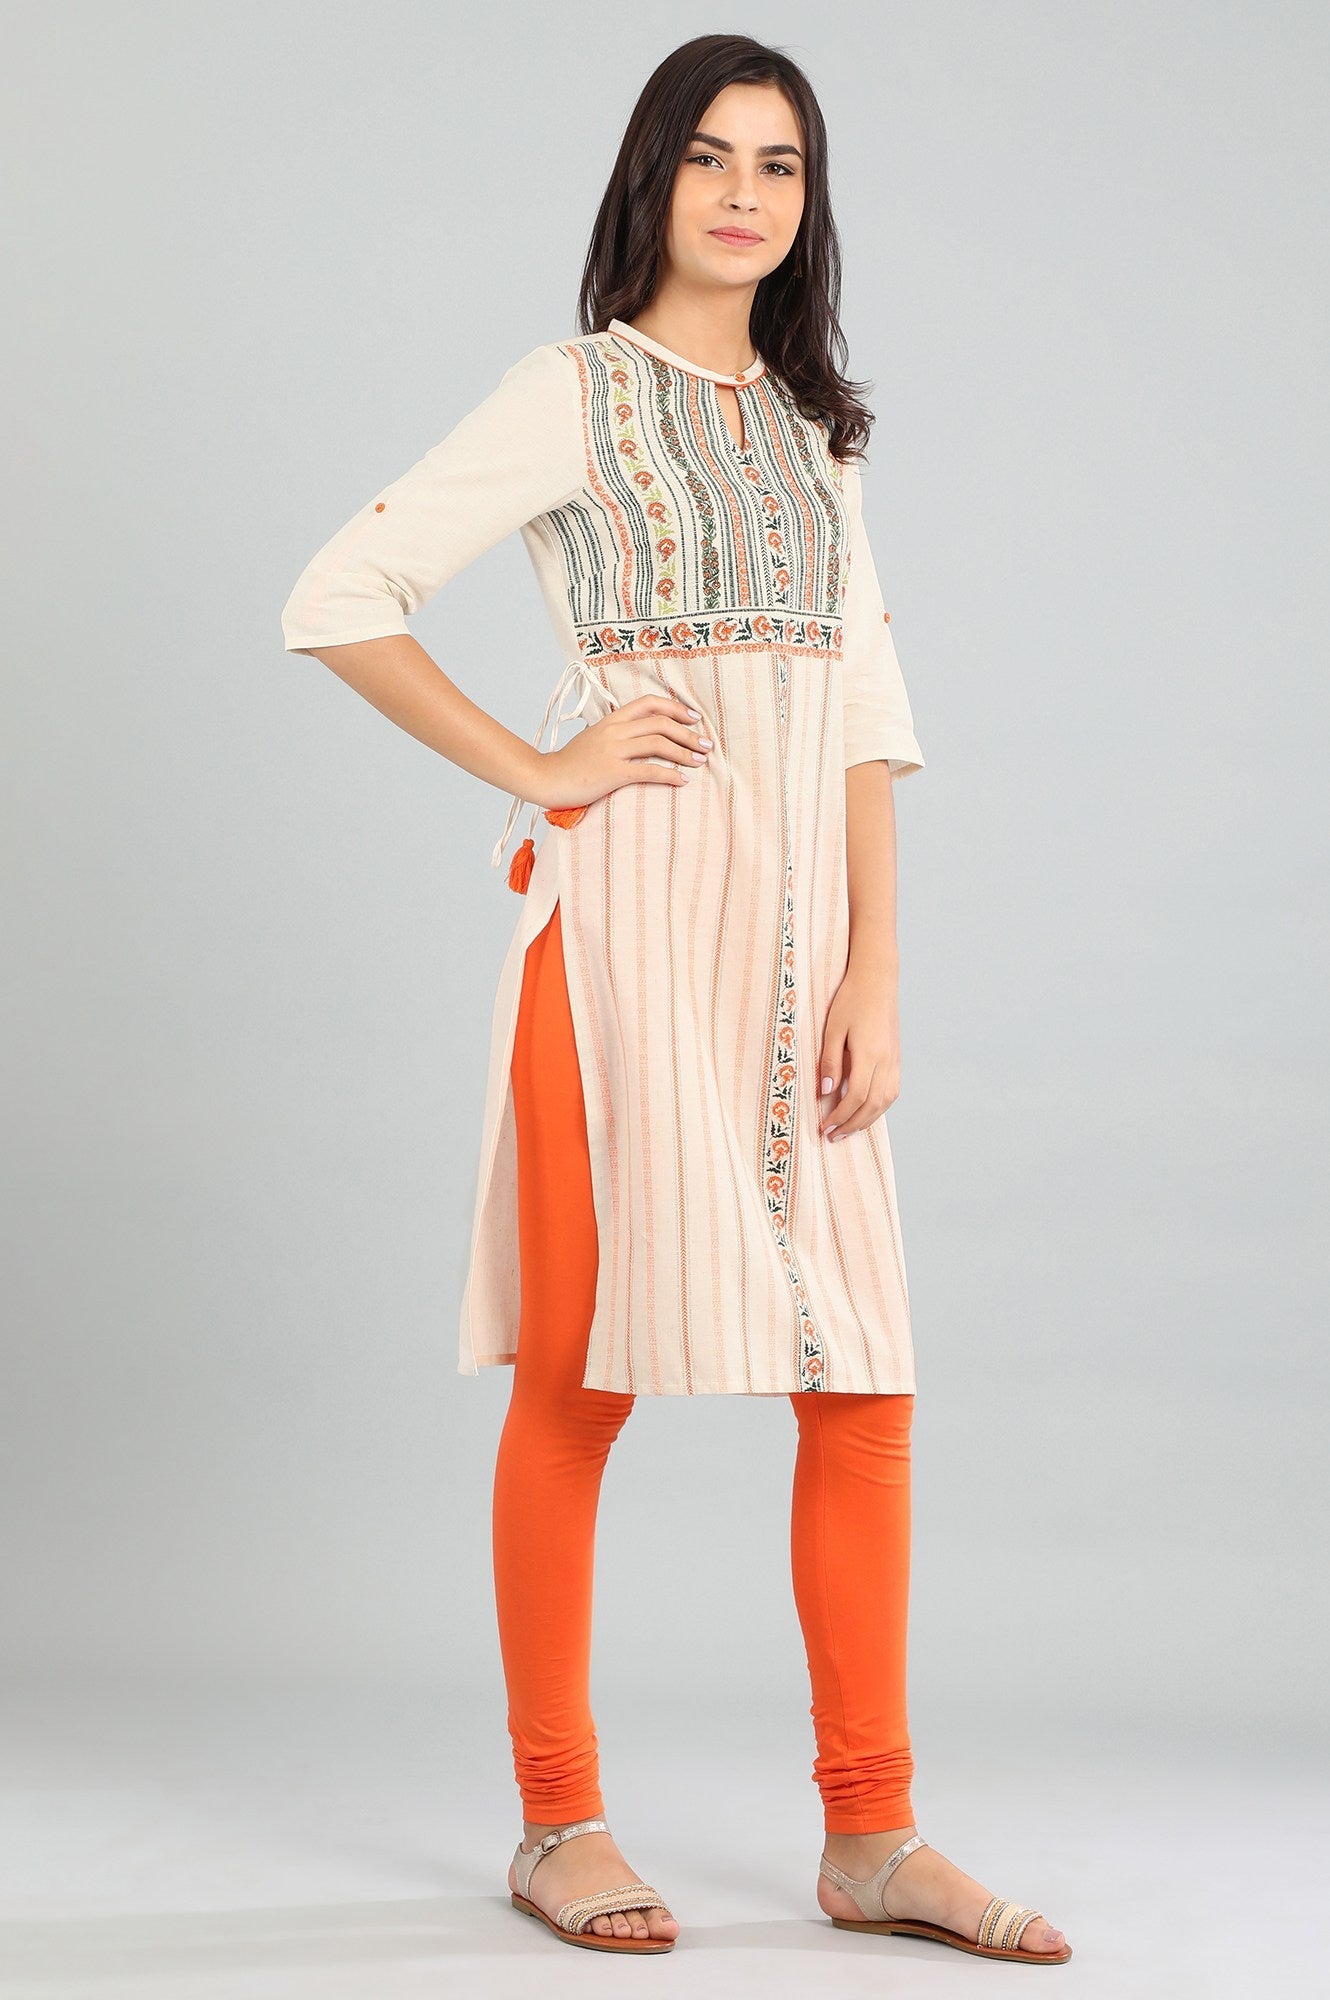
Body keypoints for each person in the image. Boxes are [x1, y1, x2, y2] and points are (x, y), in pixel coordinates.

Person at [279, 31, 1071, 1967]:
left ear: (808, 202)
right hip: (627, 940)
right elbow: (338, 598)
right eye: (709, 156)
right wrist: (537, 764)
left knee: (861, 1376)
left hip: (800, 962)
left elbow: (863, 709)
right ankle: (557, 1818)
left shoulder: (818, 432)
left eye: (778, 164)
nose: (742, 193)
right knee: (582, 1371)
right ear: (651, 179)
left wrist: (879, 966)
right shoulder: (568, 394)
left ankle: (870, 1834)